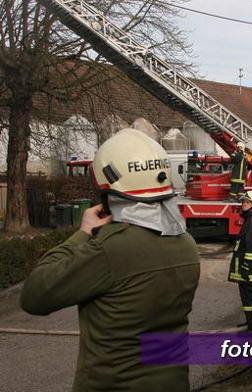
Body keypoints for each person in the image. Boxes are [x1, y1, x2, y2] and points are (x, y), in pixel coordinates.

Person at [20, 129, 200, 392]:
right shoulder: (187, 244)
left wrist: (82, 234)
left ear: (108, 189)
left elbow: (34, 296)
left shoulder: (109, 250)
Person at [228, 191, 252, 332]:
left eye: (247, 202)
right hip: (249, 269)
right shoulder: (250, 219)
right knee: (247, 298)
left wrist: (246, 266)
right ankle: (251, 323)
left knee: (251, 298)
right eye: (243, 202)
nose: (244, 204)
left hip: (251, 269)